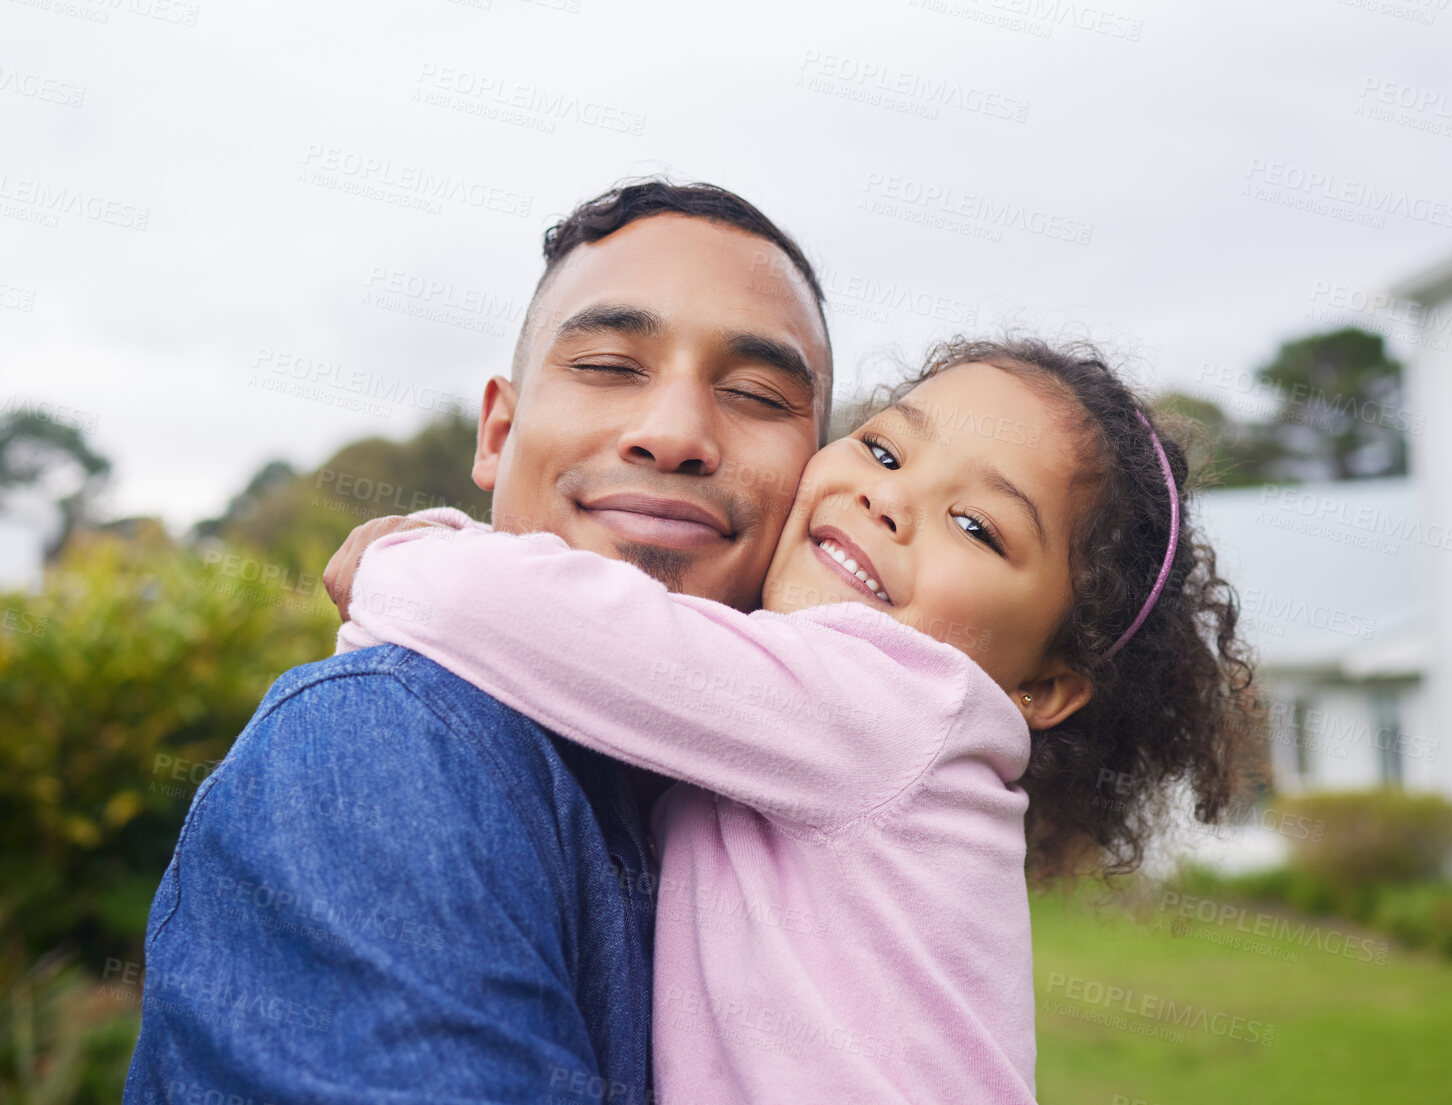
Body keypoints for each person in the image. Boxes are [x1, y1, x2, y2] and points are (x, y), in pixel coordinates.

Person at [323, 337, 1256, 1104]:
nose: (890, 500)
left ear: (1047, 684)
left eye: (977, 526)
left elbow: (536, 623)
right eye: (886, 451)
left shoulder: (903, 700)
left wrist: (407, 558)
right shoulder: (828, 727)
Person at [124, 180, 834, 1105]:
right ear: (499, 431)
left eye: (753, 392)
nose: (675, 435)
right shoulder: (387, 742)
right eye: (612, 366)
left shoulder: (764, 817)